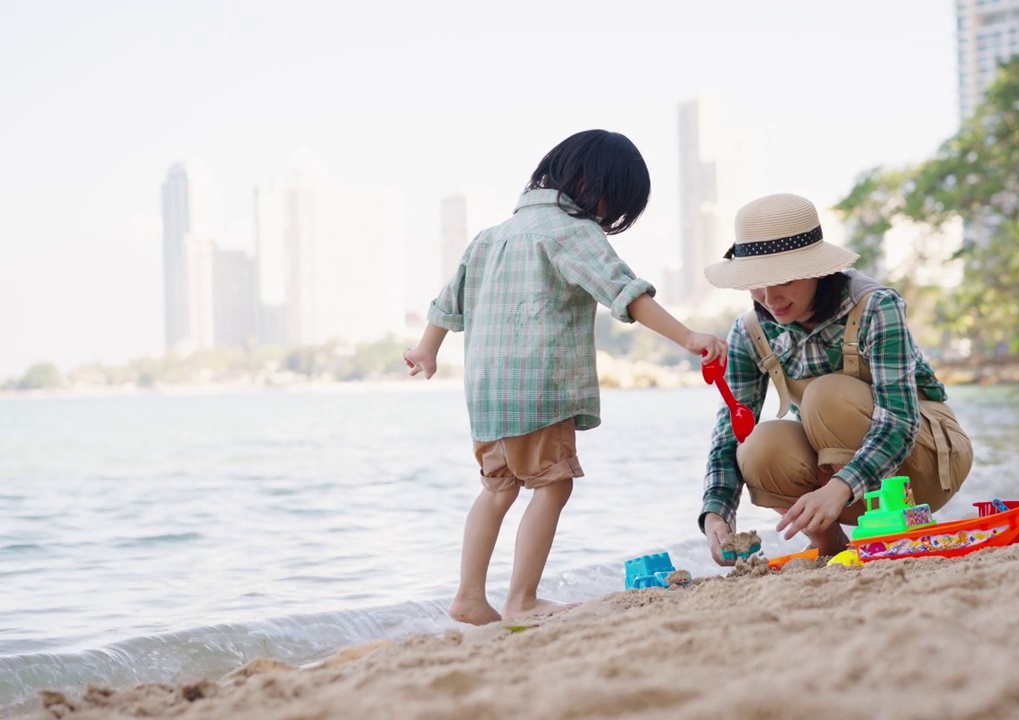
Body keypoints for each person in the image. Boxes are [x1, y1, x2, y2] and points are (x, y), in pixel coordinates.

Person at [404, 129, 728, 625]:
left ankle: (469, 595)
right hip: (538, 388)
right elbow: (625, 293)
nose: (606, 218)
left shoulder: (490, 237)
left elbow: (446, 304)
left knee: (497, 490)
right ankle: (522, 598)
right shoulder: (570, 231)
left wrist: (427, 351)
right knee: (553, 486)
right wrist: (686, 337)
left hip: (487, 395)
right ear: (592, 184)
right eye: (611, 205)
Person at [698, 193, 973, 565]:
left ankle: (892, 532)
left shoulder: (876, 307)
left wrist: (841, 487)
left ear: (817, 269)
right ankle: (832, 548)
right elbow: (730, 432)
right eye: (755, 282)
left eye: (783, 279)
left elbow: (899, 421)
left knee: (824, 396)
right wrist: (717, 514)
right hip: (841, 484)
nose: (769, 297)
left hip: (925, 464)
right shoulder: (749, 333)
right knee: (757, 445)